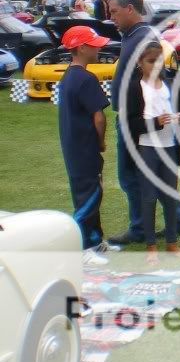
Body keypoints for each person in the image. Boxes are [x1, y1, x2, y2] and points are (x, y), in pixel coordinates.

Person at [107, 0, 180, 245]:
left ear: (130, 9)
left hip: (140, 119)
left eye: (114, 12)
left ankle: (140, 227)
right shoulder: (134, 35)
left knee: (132, 175)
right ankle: (179, 220)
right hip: (145, 119)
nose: (111, 17)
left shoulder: (142, 38)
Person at [124, 41, 180, 265]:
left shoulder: (171, 84)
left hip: (169, 147)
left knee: (171, 196)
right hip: (147, 148)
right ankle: (151, 245)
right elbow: (131, 122)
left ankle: (171, 242)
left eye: (159, 60)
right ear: (139, 63)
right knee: (149, 197)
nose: (156, 66)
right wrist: (154, 122)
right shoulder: (135, 87)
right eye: (151, 61)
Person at [57, 25, 113, 268]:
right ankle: (82, 248)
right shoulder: (87, 78)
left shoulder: (68, 75)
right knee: (88, 198)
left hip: (73, 146)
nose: (99, 48)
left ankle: (95, 240)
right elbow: (99, 117)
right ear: (81, 48)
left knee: (89, 192)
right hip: (85, 148)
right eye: (95, 45)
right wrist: (101, 142)